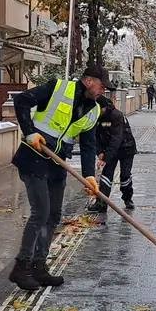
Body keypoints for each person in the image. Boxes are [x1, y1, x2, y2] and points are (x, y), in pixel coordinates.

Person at [8, 66, 109, 291]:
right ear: (89, 81)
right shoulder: (57, 88)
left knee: (53, 215)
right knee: (40, 213)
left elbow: (89, 145)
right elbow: (22, 101)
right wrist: (29, 131)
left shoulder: (92, 110)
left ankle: (39, 266)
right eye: (102, 85)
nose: (104, 90)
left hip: (56, 164)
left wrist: (90, 176)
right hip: (34, 157)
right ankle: (21, 268)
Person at [91, 95, 137, 211]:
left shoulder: (116, 115)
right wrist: (100, 152)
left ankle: (127, 199)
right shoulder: (97, 116)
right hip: (110, 150)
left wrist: (105, 158)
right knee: (106, 176)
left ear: (104, 107)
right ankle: (101, 203)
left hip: (126, 148)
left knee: (125, 176)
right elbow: (95, 136)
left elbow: (116, 139)